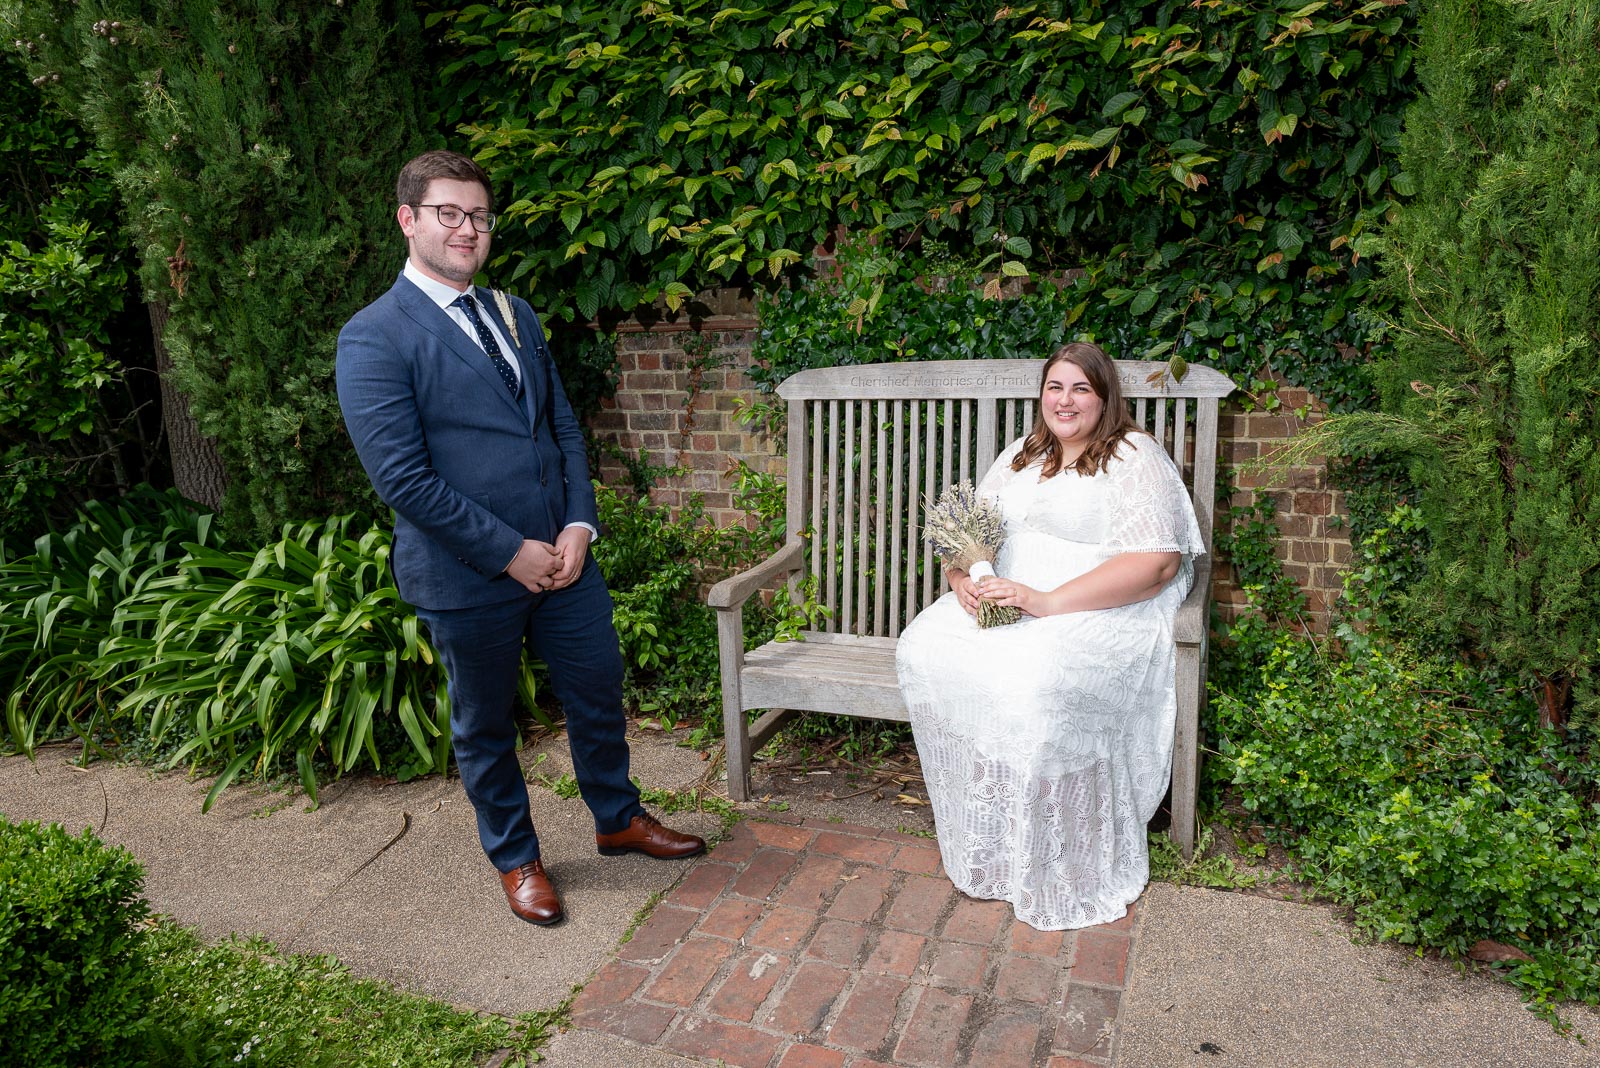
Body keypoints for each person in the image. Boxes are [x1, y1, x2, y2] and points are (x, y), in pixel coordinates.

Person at [335, 149, 703, 928]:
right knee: (485, 723)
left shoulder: (515, 313)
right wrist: (510, 551)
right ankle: (517, 858)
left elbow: (559, 426)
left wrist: (577, 524)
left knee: (599, 689)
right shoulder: (373, 337)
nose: (468, 229)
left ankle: (616, 818)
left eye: (478, 216)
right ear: (408, 220)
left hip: (565, 562)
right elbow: (403, 480)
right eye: (449, 213)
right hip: (467, 574)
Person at [895, 341, 1206, 930]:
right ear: (1041, 395)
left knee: (1034, 679)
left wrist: (1044, 601)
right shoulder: (1022, 453)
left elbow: (1158, 566)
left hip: (1097, 612)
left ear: (1105, 397)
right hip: (1010, 602)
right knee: (924, 647)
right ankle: (996, 843)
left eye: (1081, 389)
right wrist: (963, 580)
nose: (1065, 401)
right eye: (1055, 387)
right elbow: (967, 534)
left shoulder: (1133, 456)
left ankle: (1062, 857)